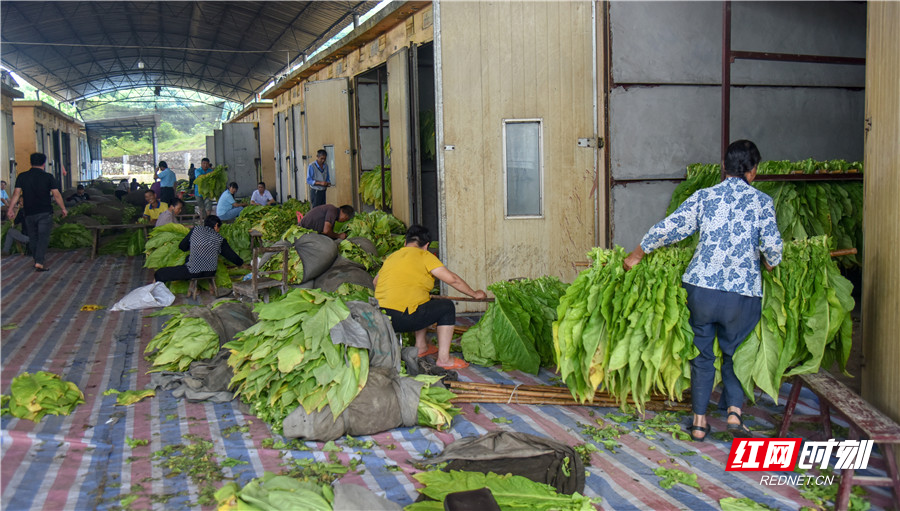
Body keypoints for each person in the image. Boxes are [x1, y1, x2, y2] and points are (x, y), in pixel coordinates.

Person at [623, 140, 783, 442]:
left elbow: (672, 227)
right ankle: (734, 414)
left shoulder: (705, 197)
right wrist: (771, 262)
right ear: (753, 171)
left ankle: (698, 422)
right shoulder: (761, 202)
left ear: (724, 168)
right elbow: (772, 247)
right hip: (741, 294)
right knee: (735, 353)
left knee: (702, 355)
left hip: (701, 290)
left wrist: (637, 254)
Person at [375, 225, 485, 370]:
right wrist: (474, 294)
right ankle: (444, 359)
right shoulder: (424, 256)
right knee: (446, 307)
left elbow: (375, 282)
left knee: (424, 301)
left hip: (381, 319)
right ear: (426, 246)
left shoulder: (392, 257)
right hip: (404, 319)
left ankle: (421, 347)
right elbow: (452, 279)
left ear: (405, 243)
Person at [6, 153, 68, 271]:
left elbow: (16, 194)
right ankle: (39, 261)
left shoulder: (22, 176)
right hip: (45, 212)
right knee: (43, 237)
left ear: (31, 162)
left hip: (29, 212)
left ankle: (37, 260)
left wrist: (10, 209)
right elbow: (56, 194)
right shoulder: (48, 177)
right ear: (44, 163)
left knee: (33, 237)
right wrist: (63, 208)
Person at [154, 215, 243, 283]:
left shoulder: (196, 230)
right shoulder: (220, 239)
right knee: (188, 259)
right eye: (219, 227)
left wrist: (194, 246)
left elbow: (182, 246)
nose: (218, 230)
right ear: (216, 225)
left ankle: (158, 279)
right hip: (210, 272)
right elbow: (231, 256)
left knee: (161, 272)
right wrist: (241, 263)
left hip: (193, 271)